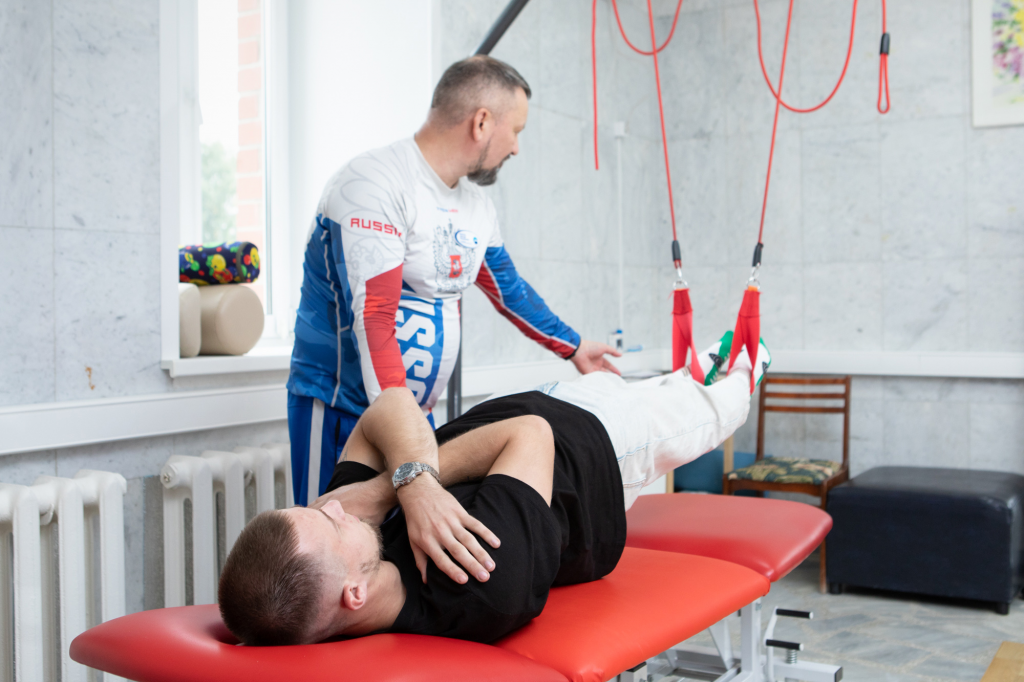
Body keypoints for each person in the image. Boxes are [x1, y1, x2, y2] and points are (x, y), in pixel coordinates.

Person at [219, 335, 771, 646]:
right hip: (604, 445)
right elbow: (531, 435)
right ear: (353, 594)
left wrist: (405, 486)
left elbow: (390, 404)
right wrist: (409, 488)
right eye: (329, 522)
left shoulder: (355, 518)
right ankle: (749, 357)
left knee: (657, 383)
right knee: (721, 404)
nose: (337, 508)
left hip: (549, 395)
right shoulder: (476, 581)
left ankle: (693, 371)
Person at [287, 54, 621, 513]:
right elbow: (376, 317)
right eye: (516, 130)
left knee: (396, 542)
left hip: (415, 416)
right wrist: (405, 434)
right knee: (323, 537)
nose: (517, 148)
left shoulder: (476, 207)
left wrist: (574, 346)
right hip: (339, 407)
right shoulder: (374, 183)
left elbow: (509, 291)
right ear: (481, 122)